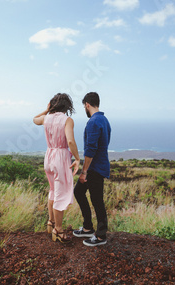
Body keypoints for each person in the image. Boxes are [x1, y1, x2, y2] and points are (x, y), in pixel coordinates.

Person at [33, 93, 80, 243]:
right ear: (67, 106)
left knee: (53, 190)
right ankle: (58, 230)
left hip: (49, 155)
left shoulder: (46, 118)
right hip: (60, 157)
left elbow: (34, 119)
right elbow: (70, 141)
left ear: (52, 105)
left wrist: (47, 110)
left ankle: (51, 222)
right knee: (61, 192)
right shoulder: (67, 120)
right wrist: (77, 158)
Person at [73, 92, 111, 246]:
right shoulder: (104, 119)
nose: (85, 109)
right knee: (79, 192)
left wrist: (84, 172)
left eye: (84, 106)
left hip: (94, 169)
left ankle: (101, 237)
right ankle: (88, 227)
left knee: (97, 201)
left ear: (87, 105)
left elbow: (91, 149)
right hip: (99, 166)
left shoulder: (93, 122)